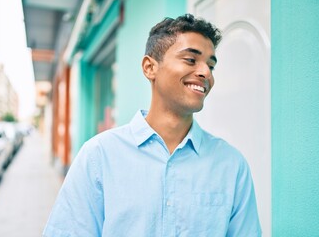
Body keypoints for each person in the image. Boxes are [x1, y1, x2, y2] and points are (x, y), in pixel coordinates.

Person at [43, 14, 262, 237]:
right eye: (190, 60)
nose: (205, 72)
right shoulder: (99, 157)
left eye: (211, 65)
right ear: (150, 67)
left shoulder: (231, 165)